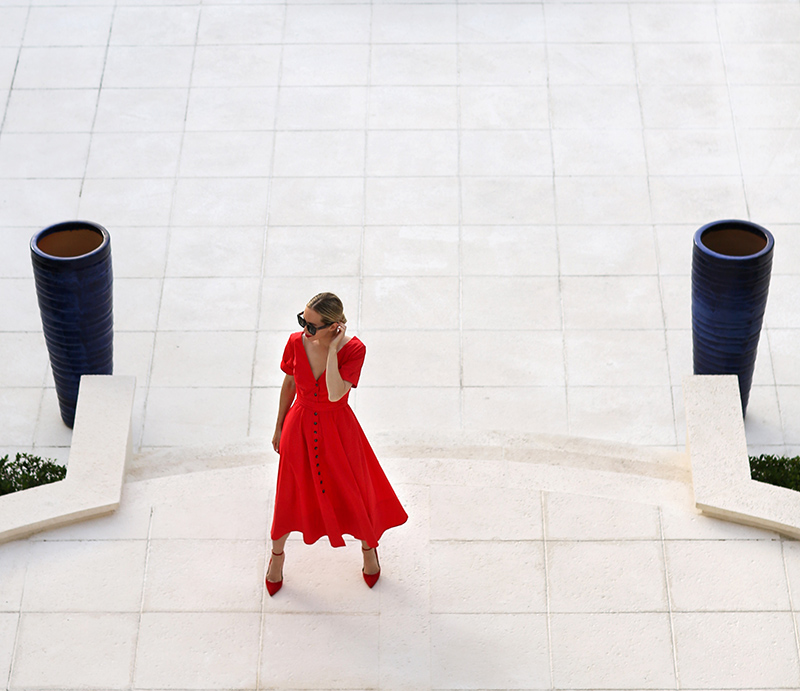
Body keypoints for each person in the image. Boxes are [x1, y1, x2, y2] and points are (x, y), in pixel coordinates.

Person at [266, 292, 408, 595]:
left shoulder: (354, 350)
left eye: (313, 325)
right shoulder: (295, 342)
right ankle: (277, 557)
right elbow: (290, 382)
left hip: (339, 430)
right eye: (303, 320)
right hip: (299, 425)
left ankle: (369, 550)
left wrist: (332, 353)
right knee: (290, 492)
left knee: (353, 489)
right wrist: (279, 425)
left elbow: (334, 394)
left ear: (334, 327)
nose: (306, 329)